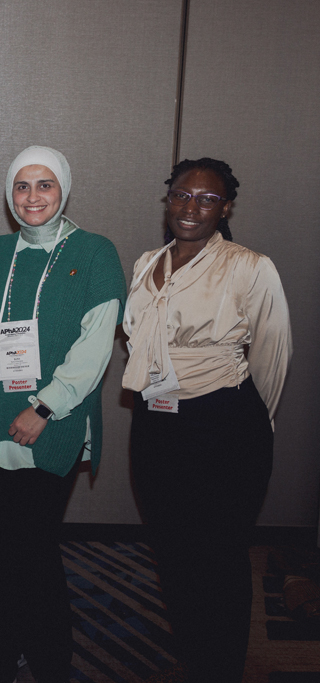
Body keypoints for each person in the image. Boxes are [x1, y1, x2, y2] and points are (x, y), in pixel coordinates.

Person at [0, 146, 126, 683]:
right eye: (22, 187)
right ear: (10, 195)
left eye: (45, 185)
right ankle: (9, 648)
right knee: (4, 549)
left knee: (35, 547)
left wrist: (44, 407)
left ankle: (53, 657)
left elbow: (96, 344)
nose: (32, 197)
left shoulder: (96, 252)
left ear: (64, 191)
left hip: (50, 422)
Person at [122, 158, 291, 683]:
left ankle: (222, 667)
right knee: (172, 555)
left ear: (226, 207)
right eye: (180, 195)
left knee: (218, 561)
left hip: (224, 426)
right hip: (155, 423)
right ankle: (193, 656)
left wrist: (249, 429)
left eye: (207, 198)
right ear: (167, 199)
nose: (191, 207)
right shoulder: (147, 262)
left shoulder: (250, 266)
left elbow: (271, 357)